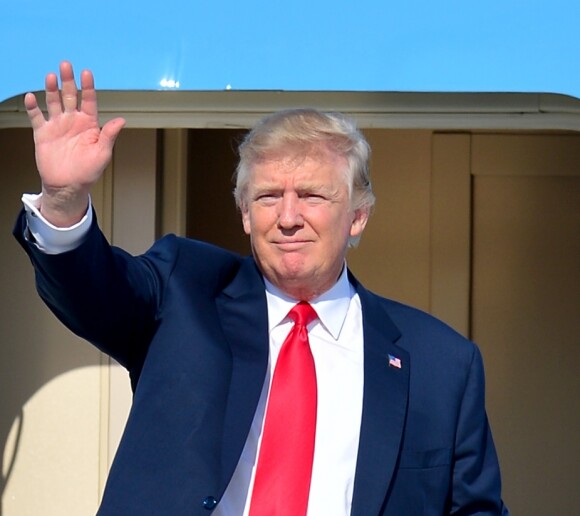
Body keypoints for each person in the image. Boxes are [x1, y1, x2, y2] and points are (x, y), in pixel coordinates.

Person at [14, 62, 508, 515]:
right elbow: (92, 290)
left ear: (357, 216)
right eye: (269, 196)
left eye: (312, 195)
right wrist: (63, 199)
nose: (288, 218)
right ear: (246, 214)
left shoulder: (441, 364)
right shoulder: (184, 292)